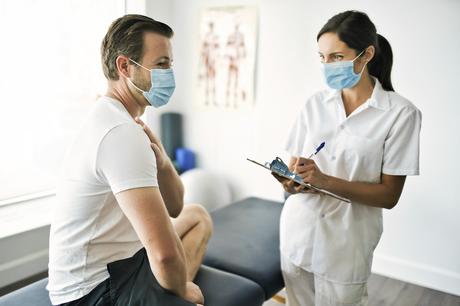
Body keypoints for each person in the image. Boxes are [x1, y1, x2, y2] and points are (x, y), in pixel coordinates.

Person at [47, 14, 212, 306]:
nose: (169, 74)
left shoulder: (120, 120)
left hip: (117, 264)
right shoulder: (120, 133)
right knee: (193, 294)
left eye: (170, 64)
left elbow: (176, 206)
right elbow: (164, 253)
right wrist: (183, 291)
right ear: (124, 66)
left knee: (197, 215)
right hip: (93, 292)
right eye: (161, 64)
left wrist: (161, 163)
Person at [275, 10, 422, 306]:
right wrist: (290, 182)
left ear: (366, 54)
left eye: (337, 57)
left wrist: (325, 179)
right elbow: (295, 166)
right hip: (297, 232)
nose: (327, 65)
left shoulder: (401, 114)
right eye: (322, 57)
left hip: (346, 244)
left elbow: (389, 195)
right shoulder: (314, 104)